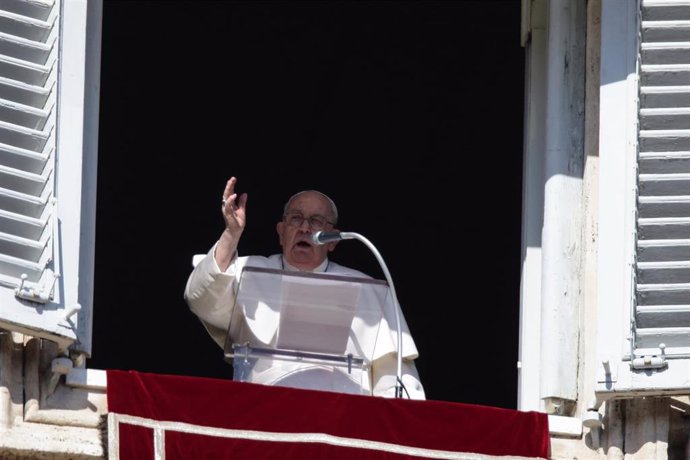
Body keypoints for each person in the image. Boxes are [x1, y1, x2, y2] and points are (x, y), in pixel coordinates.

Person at [184, 177, 425, 399]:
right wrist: (231, 234)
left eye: (316, 221)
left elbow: (394, 373)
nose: (305, 228)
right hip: (264, 407)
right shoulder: (248, 271)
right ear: (281, 232)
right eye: (296, 218)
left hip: (345, 415)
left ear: (333, 240)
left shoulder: (369, 290)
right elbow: (200, 296)